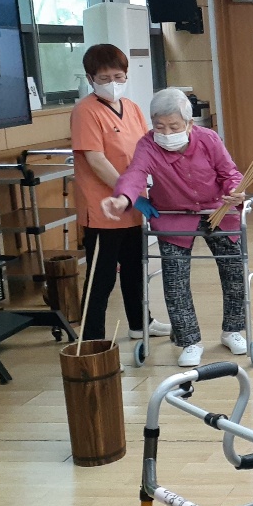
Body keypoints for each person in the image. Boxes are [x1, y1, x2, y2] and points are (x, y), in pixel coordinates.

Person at [100, 88, 248, 367]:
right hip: (173, 215)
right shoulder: (147, 145)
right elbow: (134, 175)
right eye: (160, 127)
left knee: (234, 270)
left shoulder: (208, 139)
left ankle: (232, 330)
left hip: (217, 210)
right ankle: (189, 340)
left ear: (190, 124)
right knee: (175, 280)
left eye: (174, 127)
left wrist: (235, 191)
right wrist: (122, 199)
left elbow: (229, 173)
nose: (166, 133)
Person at [70, 43, 168, 344]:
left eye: (118, 76)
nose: (112, 83)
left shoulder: (133, 108)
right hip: (104, 209)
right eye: (104, 78)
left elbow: (147, 150)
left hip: (133, 207)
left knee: (135, 270)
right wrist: (129, 192)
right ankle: (92, 341)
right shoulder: (85, 111)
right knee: (101, 277)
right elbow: (96, 159)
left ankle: (140, 323)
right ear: (90, 78)